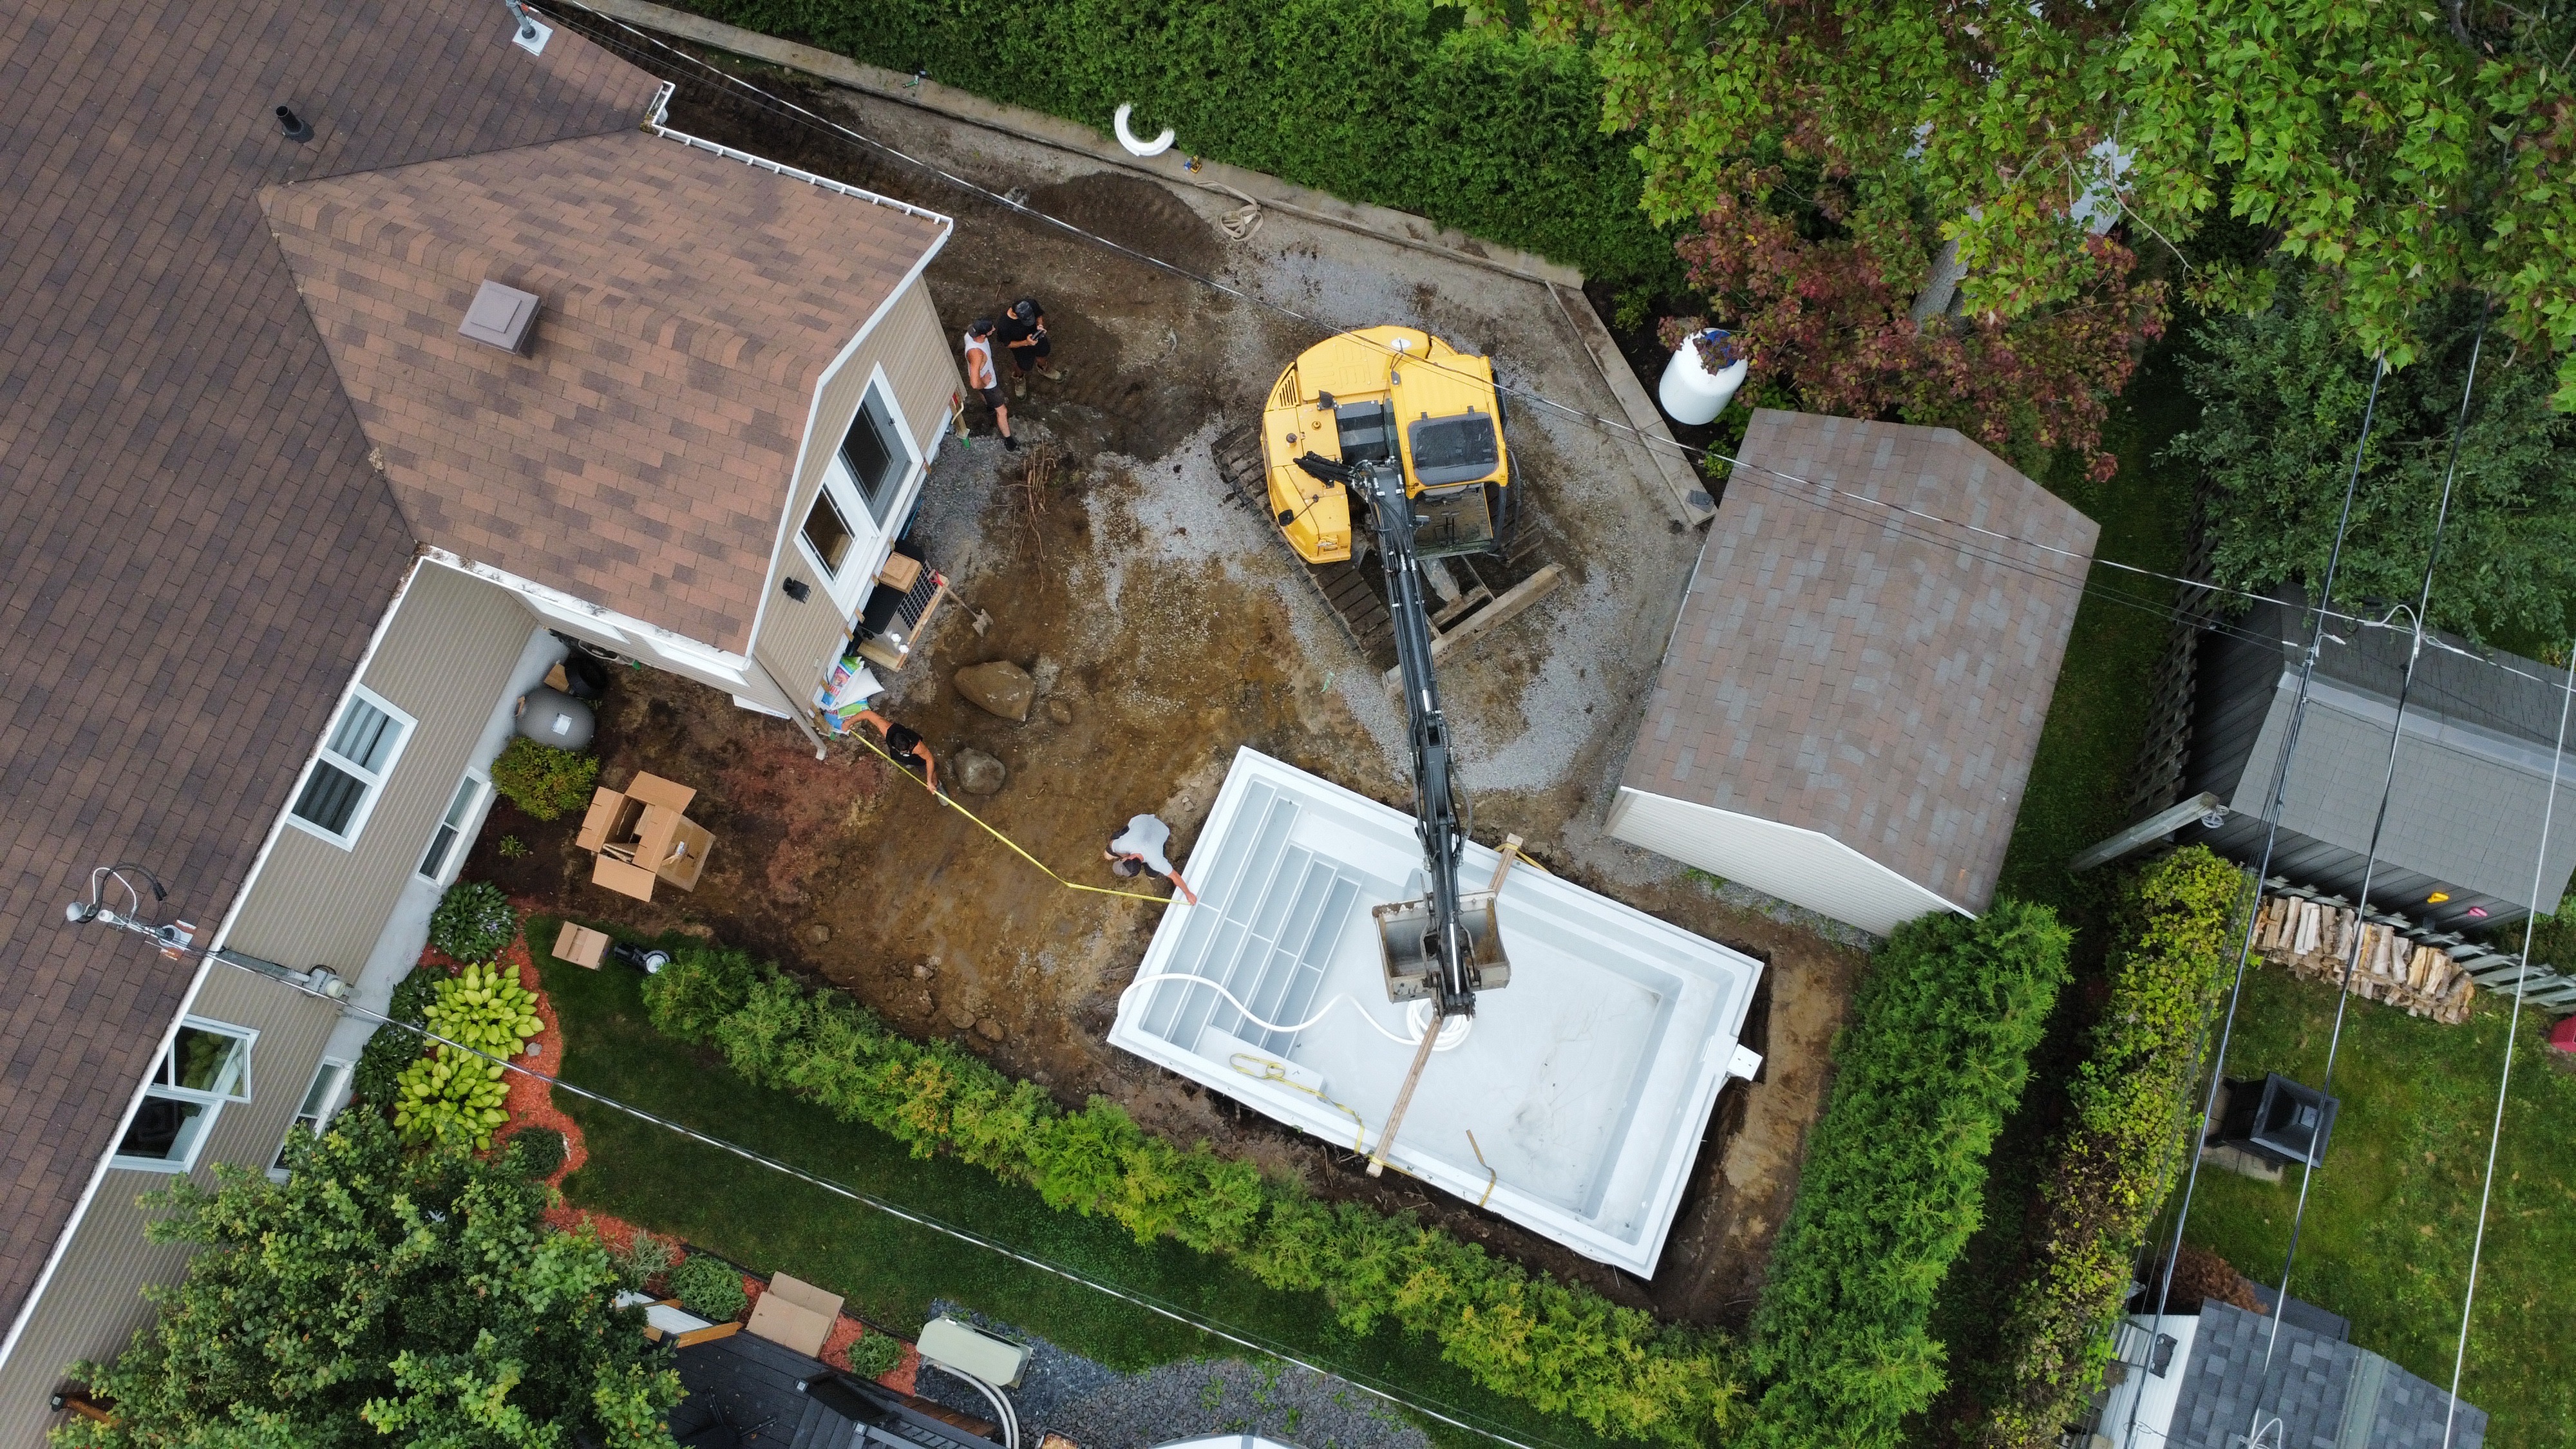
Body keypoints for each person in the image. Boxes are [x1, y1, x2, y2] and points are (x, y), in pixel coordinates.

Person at [1105, 812, 1197, 904]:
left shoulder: (1156, 861)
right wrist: (1124, 856)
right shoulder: (1124, 845)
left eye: (1121, 860)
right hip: (1142, 821)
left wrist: (1188, 894)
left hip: (1161, 831)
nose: (1121, 860)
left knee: (1152, 877)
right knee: (1107, 856)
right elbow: (1112, 843)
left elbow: (1175, 876)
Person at [961, 319, 1017, 453]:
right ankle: (1009, 442)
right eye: (991, 330)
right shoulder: (978, 354)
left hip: (981, 379)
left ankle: (988, 407)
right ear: (982, 336)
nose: (994, 330)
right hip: (989, 385)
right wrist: (985, 382)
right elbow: (975, 384)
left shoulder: (969, 336)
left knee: (983, 393)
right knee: (1002, 411)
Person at [853, 708, 938, 794]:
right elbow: (867, 714)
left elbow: (929, 759)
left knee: (929, 769)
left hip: (918, 759)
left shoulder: (918, 746)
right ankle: (909, 764)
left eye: (909, 748)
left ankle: (936, 784)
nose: (909, 751)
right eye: (905, 751)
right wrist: (847, 723)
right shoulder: (886, 729)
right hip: (898, 758)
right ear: (895, 747)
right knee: (904, 763)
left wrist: (929, 782)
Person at [996, 298, 1063, 399]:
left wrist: (1040, 326)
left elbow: (1039, 315)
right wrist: (1026, 343)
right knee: (1023, 366)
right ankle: (1019, 379)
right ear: (1015, 314)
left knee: (1043, 352)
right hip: (1021, 348)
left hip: (1037, 337)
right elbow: (1008, 344)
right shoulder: (1004, 325)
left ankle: (1044, 369)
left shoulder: (1030, 304)